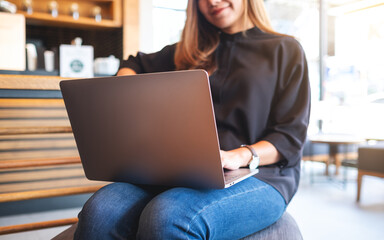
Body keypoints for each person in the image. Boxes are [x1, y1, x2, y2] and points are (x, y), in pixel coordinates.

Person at [74, 0, 310, 239]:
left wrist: (236, 157)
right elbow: (134, 62)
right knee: (100, 211)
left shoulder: (286, 49)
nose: (213, 2)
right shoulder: (189, 51)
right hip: (185, 170)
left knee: (169, 217)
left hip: (262, 174)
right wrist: (125, 85)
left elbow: (289, 136)